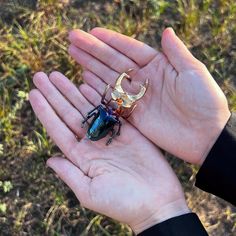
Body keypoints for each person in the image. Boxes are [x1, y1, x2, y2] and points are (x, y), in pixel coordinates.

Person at [29, 27, 236, 235]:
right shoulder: (114, 117)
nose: (117, 103)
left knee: (100, 115)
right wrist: (217, 140)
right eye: (116, 101)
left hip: (97, 128)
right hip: (98, 129)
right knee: (104, 119)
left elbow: (100, 110)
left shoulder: (106, 112)